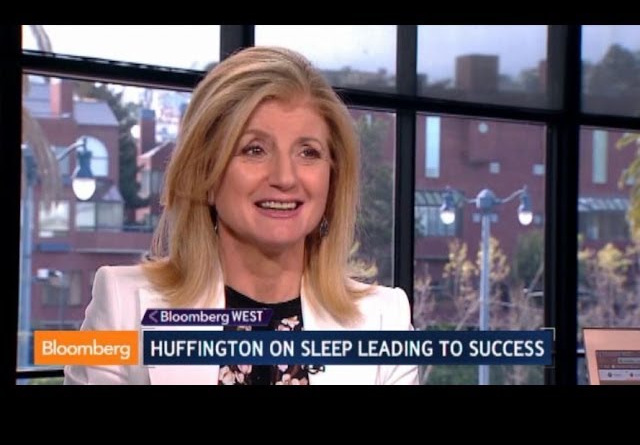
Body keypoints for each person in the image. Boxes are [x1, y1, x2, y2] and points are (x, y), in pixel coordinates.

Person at [64, 46, 419, 385]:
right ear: (206, 174)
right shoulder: (121, 305)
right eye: (254, 149)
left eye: (308, 152)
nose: (284, 177)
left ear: (333, 178)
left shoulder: (385, 320)